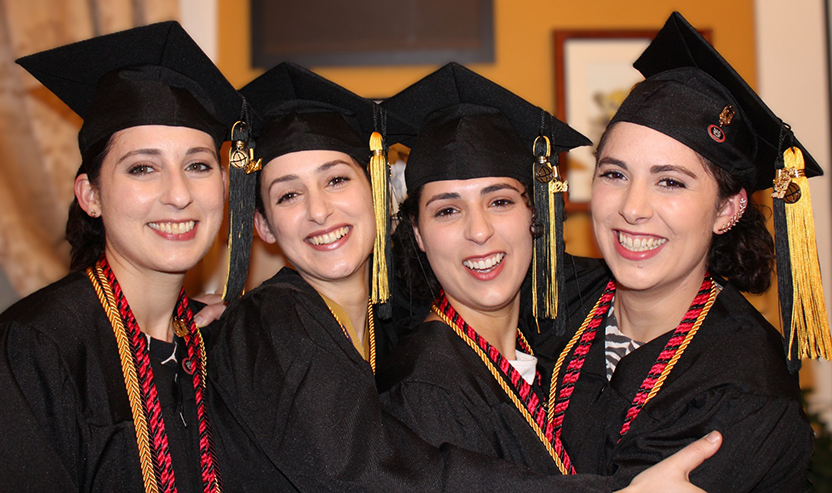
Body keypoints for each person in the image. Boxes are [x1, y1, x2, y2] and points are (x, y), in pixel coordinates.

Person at [206, 61, 721, 492]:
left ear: (376, 194)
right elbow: (372, 476)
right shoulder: (277, 322)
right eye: (288, 195)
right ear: (262, 224)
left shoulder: (387, 320)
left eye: (337, 179)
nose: (319, 212)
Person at [533, 12, 824, 492]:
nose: (633, 208)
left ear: (727, 209)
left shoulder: (744, 389)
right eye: (614, 174)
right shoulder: (555, 297)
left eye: (670, 182)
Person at [0, 22, 245, 491]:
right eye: (143, 168)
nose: (178, 195)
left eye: (197, 165)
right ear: (90, 195)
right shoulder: (36, 349)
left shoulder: (215, 346)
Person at [378, 62, 592, 475]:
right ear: (418, 234)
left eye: (500, 201)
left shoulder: (547, 352)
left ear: (535, 214)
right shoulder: (422, 390)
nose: (479, 231)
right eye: (447, 210)